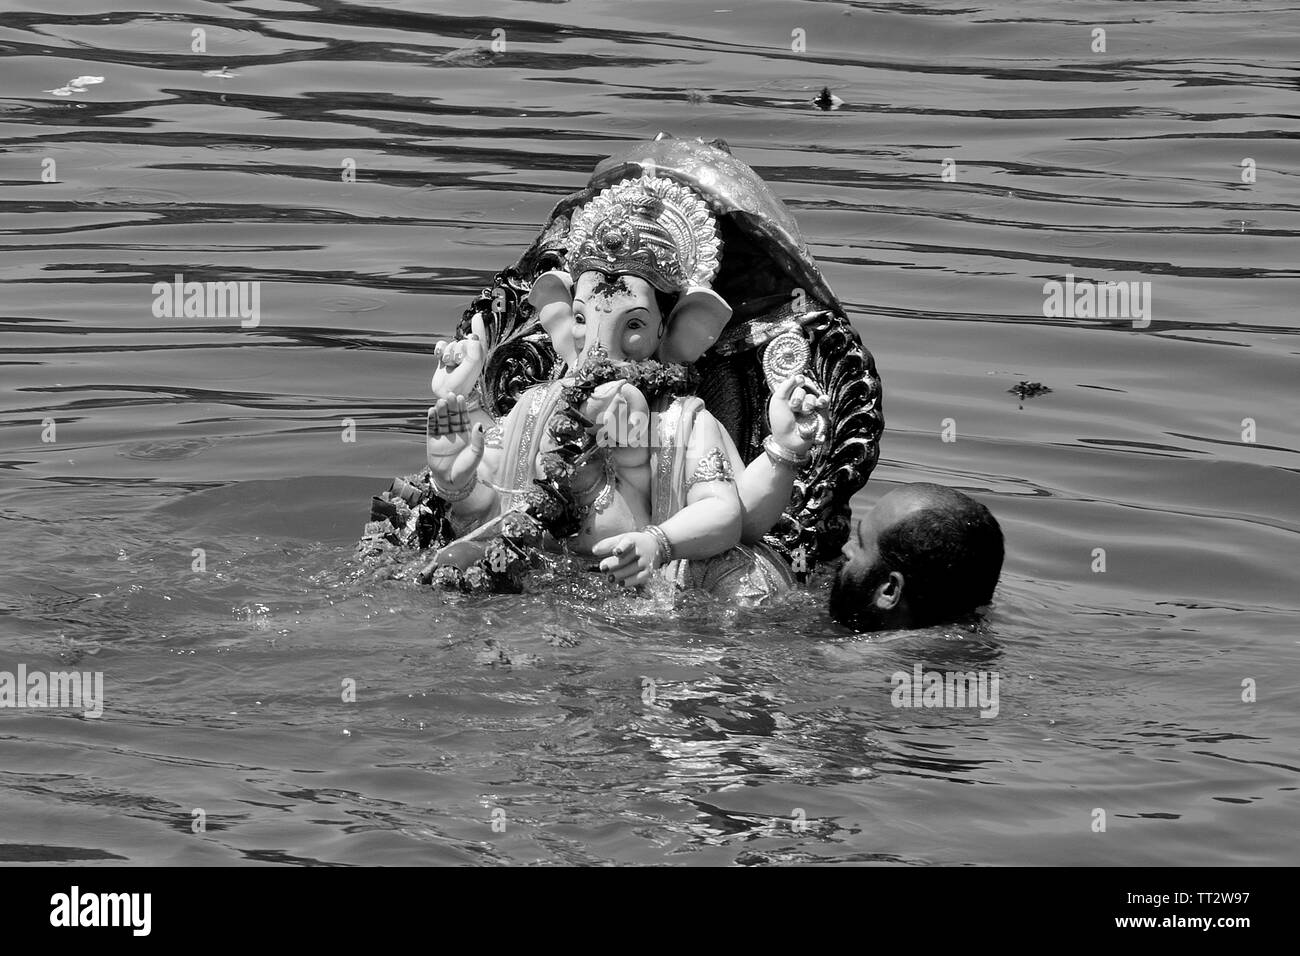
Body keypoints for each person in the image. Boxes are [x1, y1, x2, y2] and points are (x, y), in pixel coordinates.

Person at [830, 483, 1004, 632]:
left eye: (860, 543)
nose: (846, 548)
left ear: (890, 590)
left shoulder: (842, 662)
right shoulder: (969, 647)